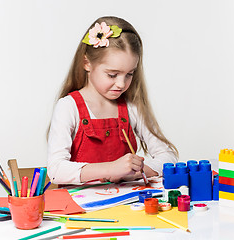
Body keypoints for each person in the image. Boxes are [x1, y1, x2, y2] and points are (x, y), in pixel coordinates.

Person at [47, 16, 178, 185]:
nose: (121, 84)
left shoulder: (131, 108)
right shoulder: (68, 107)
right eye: (112, 75)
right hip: (81, 208)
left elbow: (169, 157)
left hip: (125, 205)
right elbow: (56, 171)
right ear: (87, 63)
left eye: (129, 74)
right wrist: (110, 169)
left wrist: (137, 170)